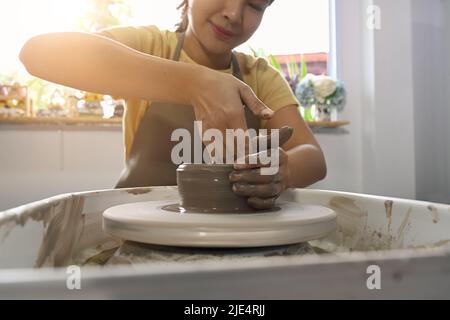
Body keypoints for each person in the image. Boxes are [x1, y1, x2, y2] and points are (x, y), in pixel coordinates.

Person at [19, 0, 326, 209]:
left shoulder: (258, 76)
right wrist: (193, 83)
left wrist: (283, 172)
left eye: (254, 4)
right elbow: (38, 54)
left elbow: (313, 157)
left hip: (229, 240)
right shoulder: (153, 47)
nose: (234, 13)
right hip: (139, 229)